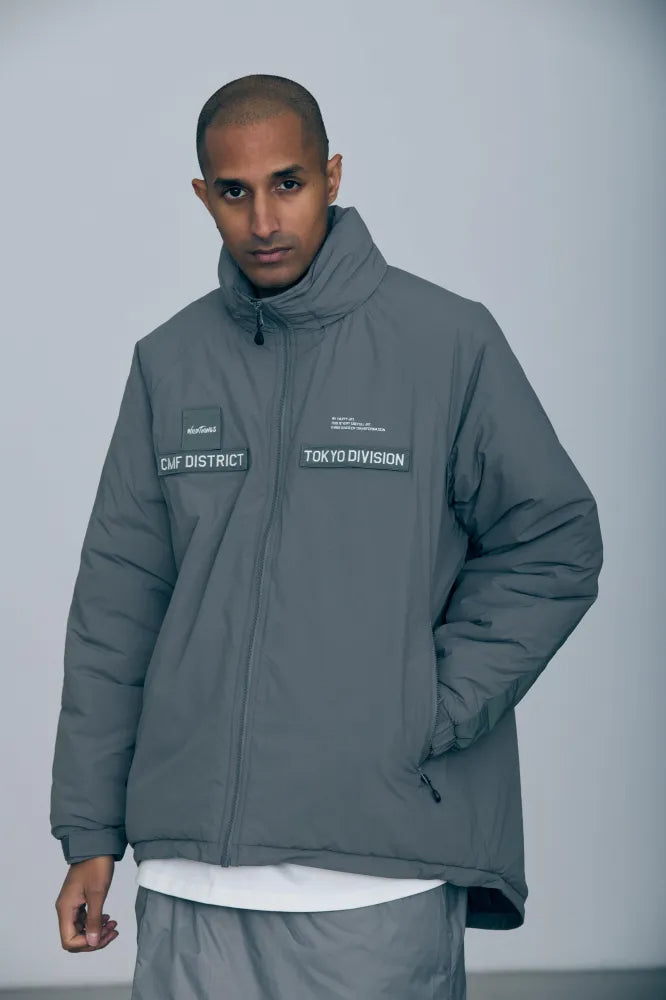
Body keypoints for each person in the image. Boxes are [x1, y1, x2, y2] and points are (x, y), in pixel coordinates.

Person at [51, 73, 604, 999]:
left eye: (288, 183)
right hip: (192, 882)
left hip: (376, 876)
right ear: (203, 196)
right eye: (235, 192)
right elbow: (116, 610)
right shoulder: (169, 362)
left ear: (333, 176)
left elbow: (552, 541)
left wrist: (427, 706)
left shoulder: (446, 343)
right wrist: (91, 834)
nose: (264, 219)